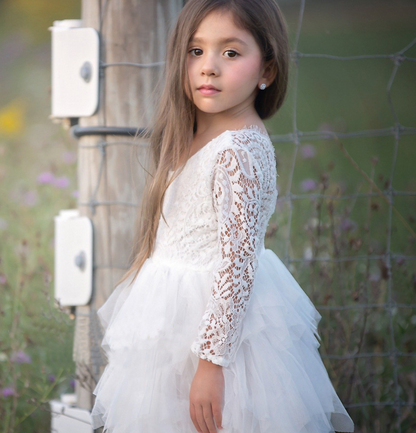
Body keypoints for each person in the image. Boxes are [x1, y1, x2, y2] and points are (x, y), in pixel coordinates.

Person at [90, 1, 355, 432]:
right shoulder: (199, 137)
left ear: (267, 70)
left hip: (219, 338)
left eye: (230, 53)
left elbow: (238, 263)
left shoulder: (238, 151)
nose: (208, 67)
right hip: (173, 323)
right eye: (196, 51)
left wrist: (211, 366)